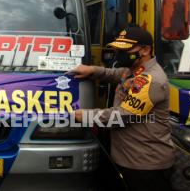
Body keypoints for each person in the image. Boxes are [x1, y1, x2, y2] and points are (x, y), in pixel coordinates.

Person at [70, 26, 174, 191]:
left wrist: (83, 115)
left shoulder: (152, 80)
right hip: (129, 156)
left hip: (145, 163)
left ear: (145, 50)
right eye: (118, 49)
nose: (119, 54)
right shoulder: (135, 69)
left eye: (125, 50)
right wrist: (92, 70)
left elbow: (122, 116)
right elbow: (116, 74)